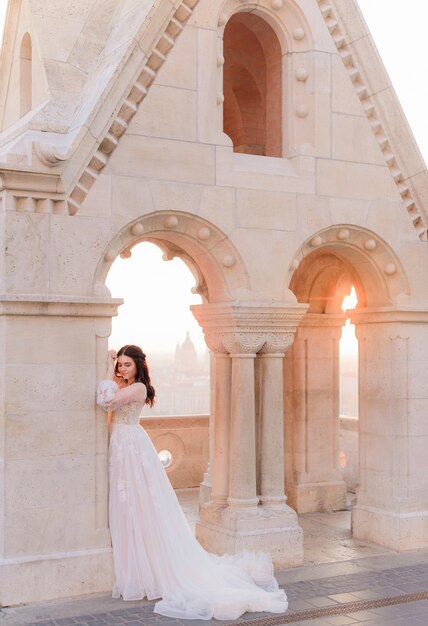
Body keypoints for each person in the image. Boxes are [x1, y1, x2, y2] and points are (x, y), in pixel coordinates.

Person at [97, 344, 288, 621]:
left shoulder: (137, 388)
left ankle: (146, 567)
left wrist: (106, 368)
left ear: (138, 366)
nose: (122, 368)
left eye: (127, 364)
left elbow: (105, 400)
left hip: (130, 446)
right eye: (120, 364)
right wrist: (112, 373)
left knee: (137, 503)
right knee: (126, 503)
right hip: (121, 445)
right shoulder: (123, 384)